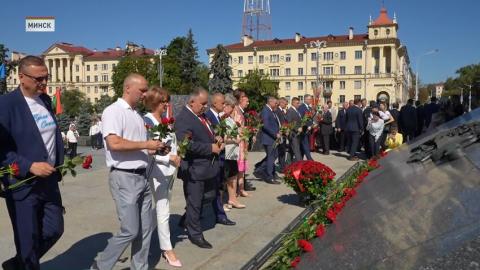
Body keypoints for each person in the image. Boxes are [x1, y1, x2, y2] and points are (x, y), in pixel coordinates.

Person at [92, 73, 166, 270]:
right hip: (124, 177)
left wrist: (154, 148)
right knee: (130, 230)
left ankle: (139, 267)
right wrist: (145, 143)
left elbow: (139, 147)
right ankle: (101, 265)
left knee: (146, 229)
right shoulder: (113, 111)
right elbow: (114, 143)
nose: (145, 94)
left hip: (142, 177)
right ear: (127, 88)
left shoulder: (136, 115)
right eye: (142, 90)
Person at [0, 56, 65, 270]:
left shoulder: (45, 100)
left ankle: (19, 264)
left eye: (46, 78)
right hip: (23, 184)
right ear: (21, 77)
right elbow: (1, 150)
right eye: (39, 79)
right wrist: (29, 166)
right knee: (27, 240)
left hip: (49, 181)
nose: (44, 83)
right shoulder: (6, 105)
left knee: (55, 229)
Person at [175, 88, 223, 249]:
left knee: (208, 197)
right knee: (195, 202)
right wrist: (210, 148)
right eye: (202, 104)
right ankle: (195, 234)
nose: (205, 107)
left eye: (206, 104)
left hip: (207, 168)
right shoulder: (184, 119)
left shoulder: (201, 116)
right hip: (194, 168)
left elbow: (207, 133)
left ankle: (187, 219)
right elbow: (186, 144)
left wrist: (216, 137)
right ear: (192, 102)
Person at [143, 86, 182, 268]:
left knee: (161, 208)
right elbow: (147, 150)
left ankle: (144, 235)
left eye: (167, 100)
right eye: (163, 101)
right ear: (154, 102)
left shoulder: (164, 120)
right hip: (156, 171)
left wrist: (177, 153)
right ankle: (167, 249)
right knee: (163, 209)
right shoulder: (147, 121)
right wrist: (169, 158)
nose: (167, 104)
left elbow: (170, 143)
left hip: (169, 171)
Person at [204, 93, 237, 223]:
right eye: (222, 103)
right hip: (213, 157)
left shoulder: (219, 117)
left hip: (220, 157)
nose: (224, 105)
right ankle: (189, 217)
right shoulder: (209, 116)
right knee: (210, 190)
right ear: (214, 103)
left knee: (216, 188)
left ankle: (220, 215)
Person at [222, 94, 246, 210]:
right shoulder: (223, 118)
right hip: (227, 149)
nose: (233, 109)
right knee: (226, 176)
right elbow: (223, 137)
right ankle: (224, 201)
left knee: (234, 174)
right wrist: (234, 139)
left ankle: (233, 199)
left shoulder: (230, 118)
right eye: (232, 106)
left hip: (233, 150)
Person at [253, 97, 281, 184]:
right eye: (275, 103)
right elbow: (265, 126)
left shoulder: (271, 110)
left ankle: (261, 168)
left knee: (274, 155)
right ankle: (269, 176)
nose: (277, 104)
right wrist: (275, 134)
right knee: (271, 157)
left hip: (273, 138)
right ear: (270, 102)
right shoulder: (266, 110)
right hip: (269, 138)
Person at [232, 90, 255, 194]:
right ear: (240, 99)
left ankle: (241, 189)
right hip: (238, 142)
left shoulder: (240, 111)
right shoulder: (235, 110)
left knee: (241, 167)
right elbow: (236, 127)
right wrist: (245, 131)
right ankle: (236, 190)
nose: (247, 103)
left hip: (243, 142)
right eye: (245, 99)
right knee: (237, 167)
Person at [285, 97, 303, 162]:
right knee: (297, 150)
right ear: (293, 103)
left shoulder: (296, 111)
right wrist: (297, 128)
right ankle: (301, 166)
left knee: (291, 150)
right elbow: (289, 122)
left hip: (297, 134)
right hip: (293, 134)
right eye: (297, 103)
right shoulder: (290, 111)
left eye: (299, 103)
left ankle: (287, 165)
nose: (299, 104)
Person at [297, 94, 314, 160]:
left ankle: (299, 161)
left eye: (311, 99)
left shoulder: (309, 108)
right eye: (309, 99)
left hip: (308, 130)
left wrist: (312, 124)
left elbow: (309, 118)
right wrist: (307, 126)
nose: (310, 101)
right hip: (304, 130)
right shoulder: (302, 107)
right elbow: (301, 119)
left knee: (303, 147)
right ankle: (310, 160)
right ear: (305, 99)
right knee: (305, 146)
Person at [274, 97, 288, 171]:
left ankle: (282, 167)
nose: (286, 105)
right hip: (280, 134)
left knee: (282, 151)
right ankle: (281, 167)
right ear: (281, 103)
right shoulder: (277, 111)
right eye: (285, 104)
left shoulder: (282, 111)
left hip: (284, 133)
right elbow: (279, 123)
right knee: (279, 152)